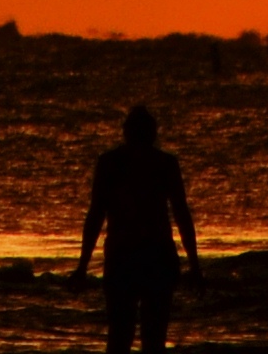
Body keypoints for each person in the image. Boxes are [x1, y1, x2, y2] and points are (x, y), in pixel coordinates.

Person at [81, 104, 201, 354]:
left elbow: (96, 215)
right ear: (153, 133)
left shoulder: (110, 163)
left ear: (126, 132)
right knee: (152, 337)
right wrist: (194, 265)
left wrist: (83, 265)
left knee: (120, 337)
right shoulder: (164, 163)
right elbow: (181, 214)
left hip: (125, 258)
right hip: (153, 257)